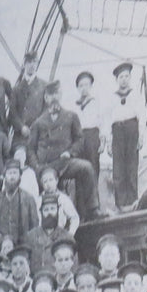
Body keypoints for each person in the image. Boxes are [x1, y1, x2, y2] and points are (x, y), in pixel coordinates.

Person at [27, 80, 98, 219]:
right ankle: (45, 218)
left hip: (65, 163)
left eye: (56, 94)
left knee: (87, 168)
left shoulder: (71, 116)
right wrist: (37, 167)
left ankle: (92, 210)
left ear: (60, 95)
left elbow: (79, 139)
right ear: (46, 98)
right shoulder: (38, 122)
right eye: (50, 95)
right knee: (44, 184)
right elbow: (30, 149)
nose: (54, 98)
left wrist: (70, 152)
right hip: (46, 166)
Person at [105, 61, 145, 210]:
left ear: (130, 77)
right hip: (117, 131)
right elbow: (107, 119)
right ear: (117, 79)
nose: (124, 79)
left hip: (132, 129)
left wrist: (141, 135)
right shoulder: (111, 98)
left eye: (126, 76)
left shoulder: (136, 94)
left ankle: (133, 201)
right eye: (121, 77)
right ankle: (121, 203)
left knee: (132, 166)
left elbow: (142, 115)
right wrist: (108, 141)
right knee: (118, 168)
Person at [73, 69, 104, 179]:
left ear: (91, 86)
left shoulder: (96, 102)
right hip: (79, 137)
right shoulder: (75, 105)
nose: (84, 88)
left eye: (86, 85)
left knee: (93, 165)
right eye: (81, 86)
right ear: (77, 88)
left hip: (92, 136)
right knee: (80, 166)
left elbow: (102, 123)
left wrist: (103, 141)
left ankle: (94, 190)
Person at [11, 51, 48, 140]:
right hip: (20, 136)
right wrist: (21, 127)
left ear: (37, 64)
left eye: (34, 62)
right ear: (24, 64)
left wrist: (36, 125)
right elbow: (12, 113)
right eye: (29, 62)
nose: (32, 65)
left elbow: (46, 110)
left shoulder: (44, 86)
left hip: (38, 135)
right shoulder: (16, 88)